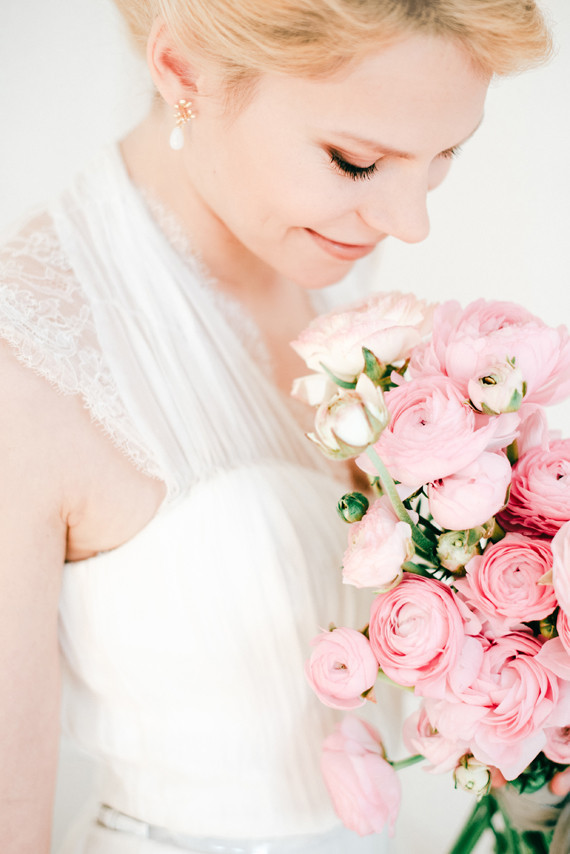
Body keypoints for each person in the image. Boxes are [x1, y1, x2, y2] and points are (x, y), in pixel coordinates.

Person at [0, 2, 552, 853]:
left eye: (446, 155)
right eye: (357, 161)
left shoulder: (346, 302)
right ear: (183, 70)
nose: (411, 224)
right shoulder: (27, 367)